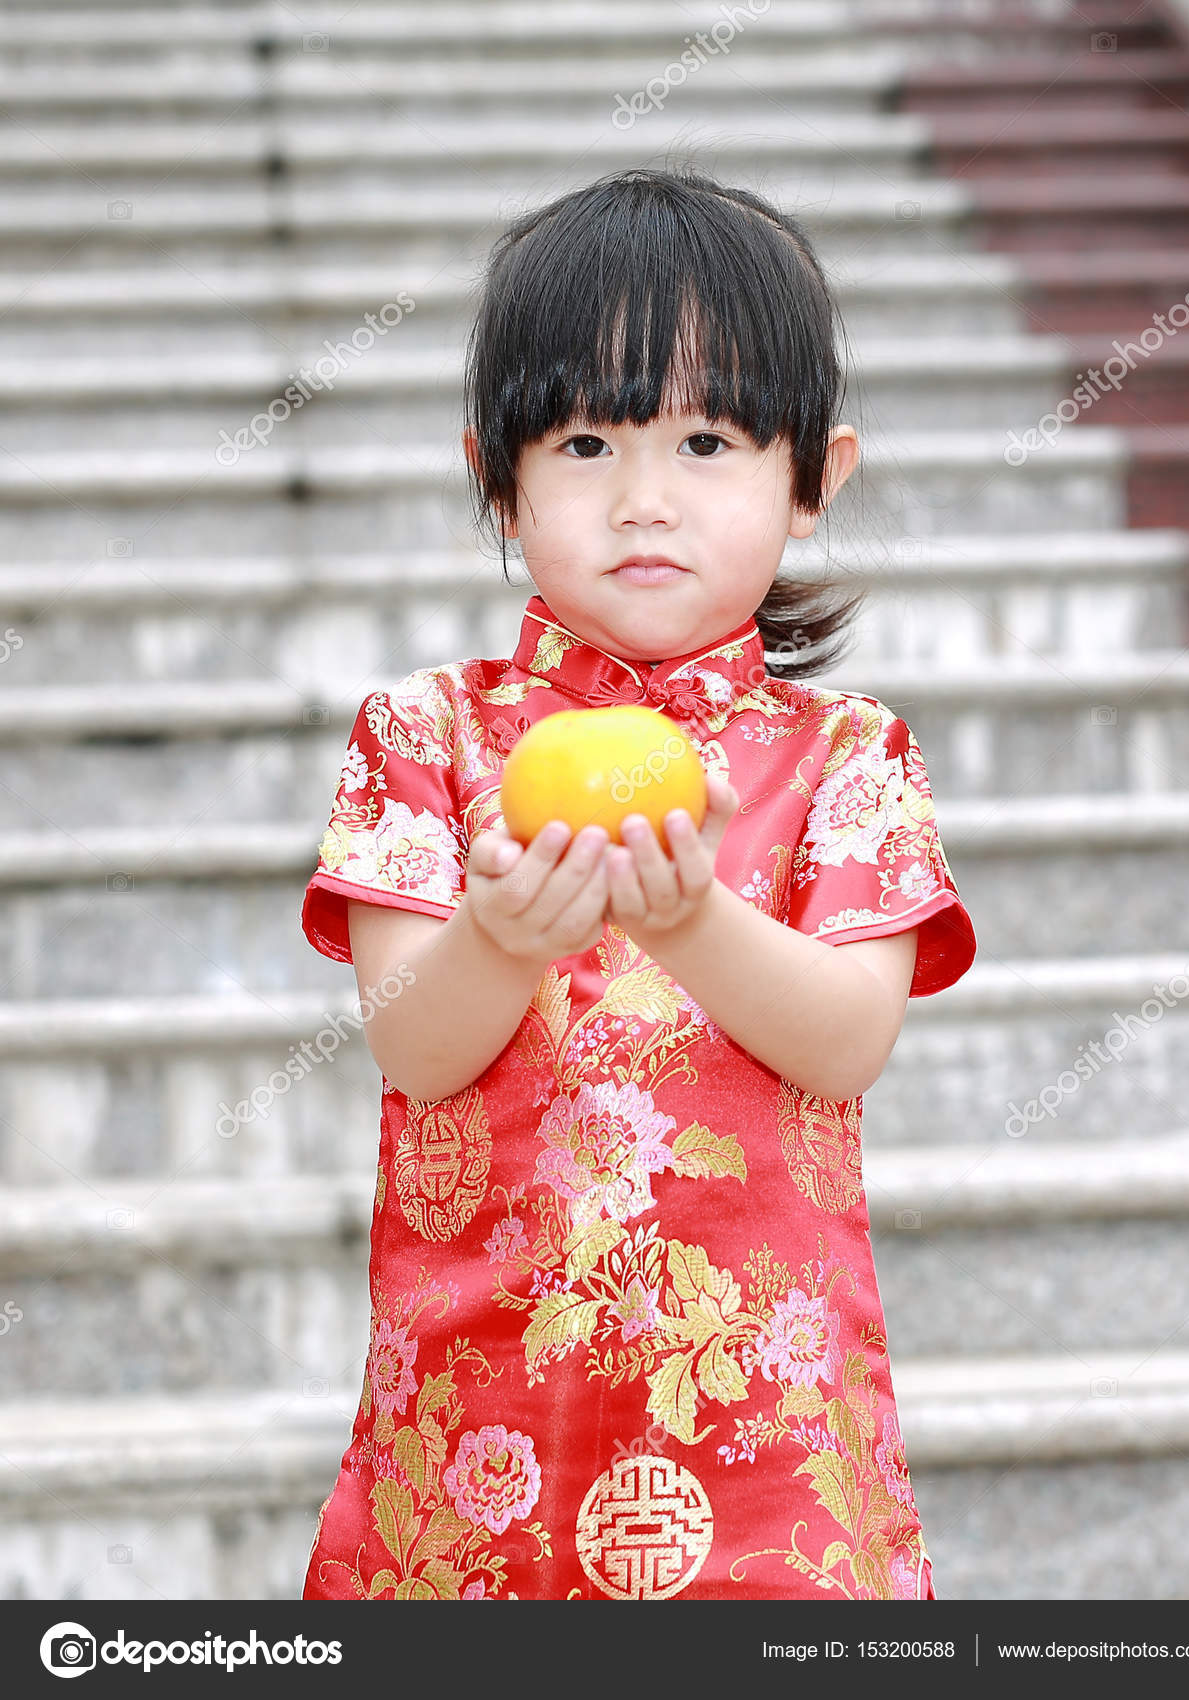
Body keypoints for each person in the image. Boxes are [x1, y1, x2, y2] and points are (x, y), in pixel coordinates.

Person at [298, 166, 977, 1601]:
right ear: (499, 472)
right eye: (589, 442)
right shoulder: (424, 737)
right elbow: (417, 1047)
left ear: (813, 482)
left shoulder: (847, 755)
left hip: (761, 1439)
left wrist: (690, 920)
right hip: (482, 1415)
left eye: (710, 441)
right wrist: (495, 935)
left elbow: (847, 1040)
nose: (646, 499)